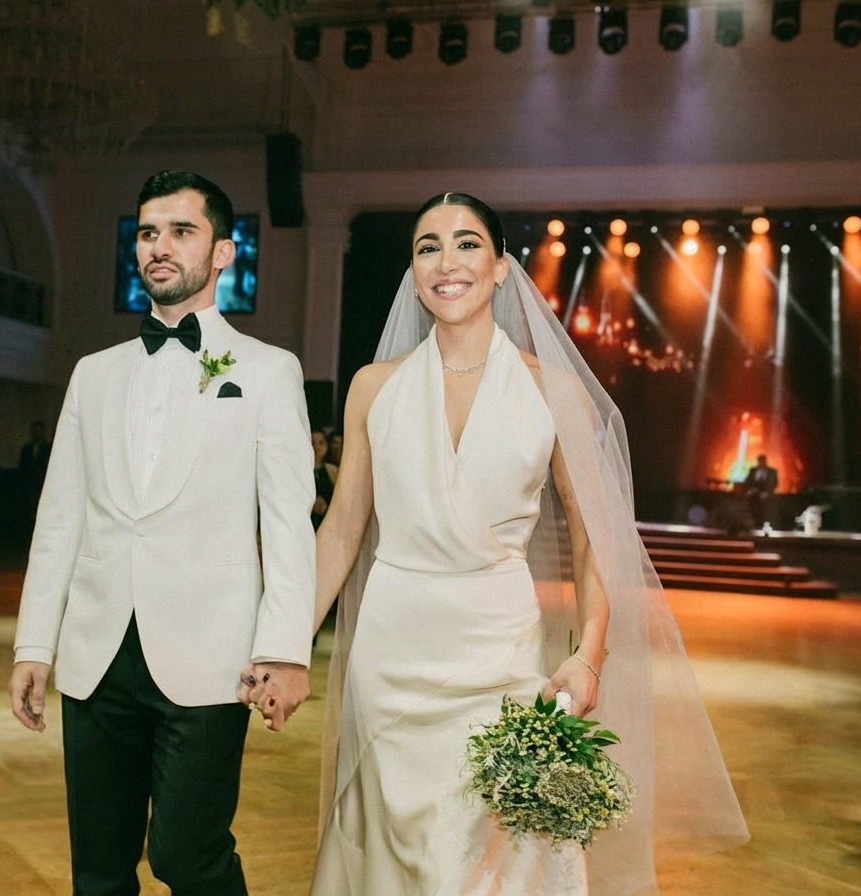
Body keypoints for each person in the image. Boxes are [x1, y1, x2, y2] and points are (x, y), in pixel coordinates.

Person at [244, 193, 747, 895]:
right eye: (427, 247)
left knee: (491, 848)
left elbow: (594, 531)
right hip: (390, 654)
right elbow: (342, 528)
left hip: (500, 651)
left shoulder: (554, 390)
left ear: (503, 267)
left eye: (467, 243)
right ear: (413, 272)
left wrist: (590, 654)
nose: (446, 262)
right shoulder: (372, 388)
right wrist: (285, 647)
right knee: (397, 843)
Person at [9, 169, 316, 895]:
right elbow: (60, 519)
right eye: (148, 232)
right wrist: (34, 644)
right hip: (95, 656)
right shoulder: (93, 373)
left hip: (209, 657)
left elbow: (286, 523)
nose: (159, 247)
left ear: (223, 254)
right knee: (99, 870)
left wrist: (284, 652)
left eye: (182, 231)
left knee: (188, 857)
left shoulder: (268, 372)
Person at [310, 428, 338, 531]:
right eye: (312, 443)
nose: (316, 447)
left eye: (321, 443)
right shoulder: (299, 473)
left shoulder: (333, 471)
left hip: (328, 526)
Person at [745, 453, 779, 531]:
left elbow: (775, 484)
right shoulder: (753, 470)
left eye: (763, 461)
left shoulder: (772, 472)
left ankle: (764, 526)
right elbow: (748, 481)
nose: (761, 463)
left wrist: (767, 493)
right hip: (754, 495)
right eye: (760, 461)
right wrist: (750, 490)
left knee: (764, 506)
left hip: (767, 495)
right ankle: (752, 525)